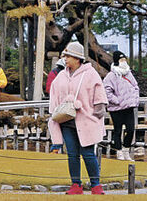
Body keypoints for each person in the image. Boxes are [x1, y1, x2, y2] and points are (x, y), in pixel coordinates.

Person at [47, 42, 107, 195]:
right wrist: (54, 113)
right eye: (65, 56)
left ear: (77, 58)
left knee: (88, 153)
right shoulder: (61, 75)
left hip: (86, 120)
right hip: (66, 120)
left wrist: (98, 110)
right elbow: (53, 95)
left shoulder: (91, 73)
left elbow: (99, 93)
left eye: (68, 56)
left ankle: (96, 185)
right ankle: (76, 184)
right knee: (72, 154)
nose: (65, 59)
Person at [103, 51, 140, 161]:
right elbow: (106, 91)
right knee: (118, 130)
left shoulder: (129, 73)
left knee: (131, 129)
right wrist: (117, 101)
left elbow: (135, 86)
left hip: (129, 107)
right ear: (116, 61)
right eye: (121, 60)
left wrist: (134, 99)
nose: (123, 62)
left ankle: (126, 150)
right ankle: (119, 151)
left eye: (124, 59)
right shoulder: (111, 76)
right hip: (116, 108)